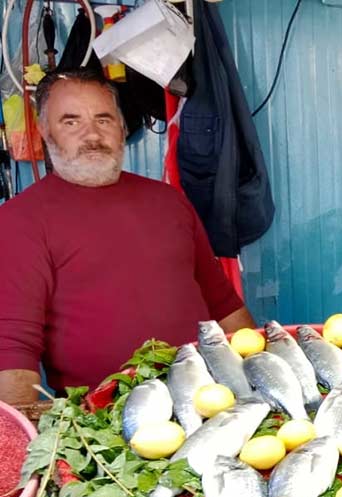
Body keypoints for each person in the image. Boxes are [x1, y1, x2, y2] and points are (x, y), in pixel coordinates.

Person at [0, 69, 254, 404]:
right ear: (46, 131)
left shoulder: (168, 201)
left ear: (121, 127)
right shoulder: (19, 220)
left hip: (213, 397)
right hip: (108, 423)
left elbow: (224, 304)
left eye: (103, 119)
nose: (92, 134)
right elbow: (13, 348)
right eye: (71, 121)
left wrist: (258, 373)